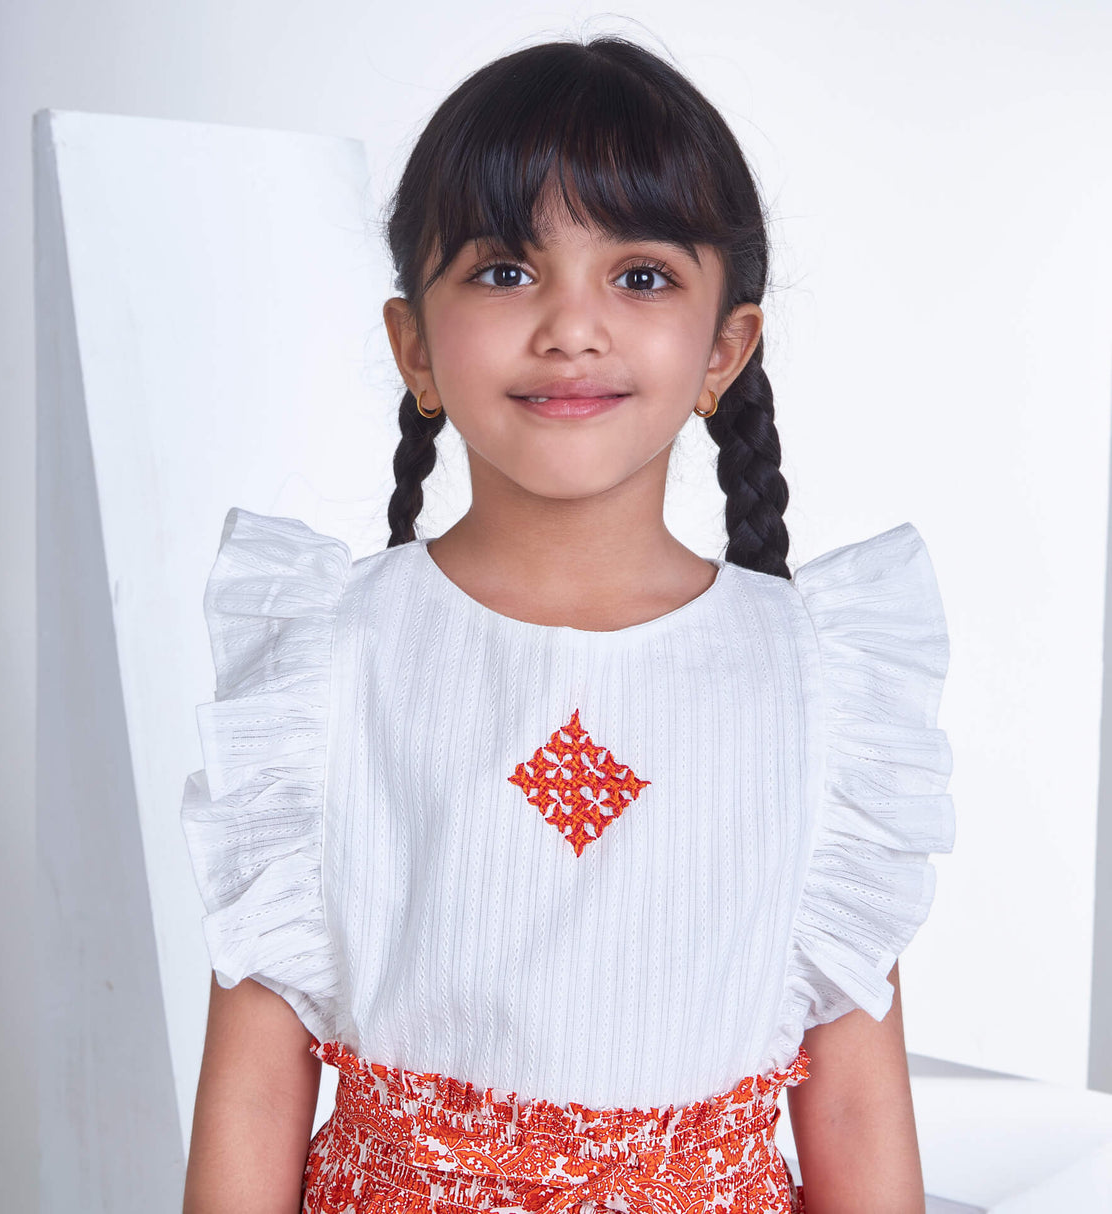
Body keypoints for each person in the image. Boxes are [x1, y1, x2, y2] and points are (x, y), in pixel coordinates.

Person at [179, 34, 956, 1214]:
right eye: (504, 271)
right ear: (413, 348)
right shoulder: (327, 663)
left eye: (638, 275)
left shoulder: (817, 683)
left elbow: (852, 1104)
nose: (569, 325)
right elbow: (248, 1095)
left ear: (723, 349)